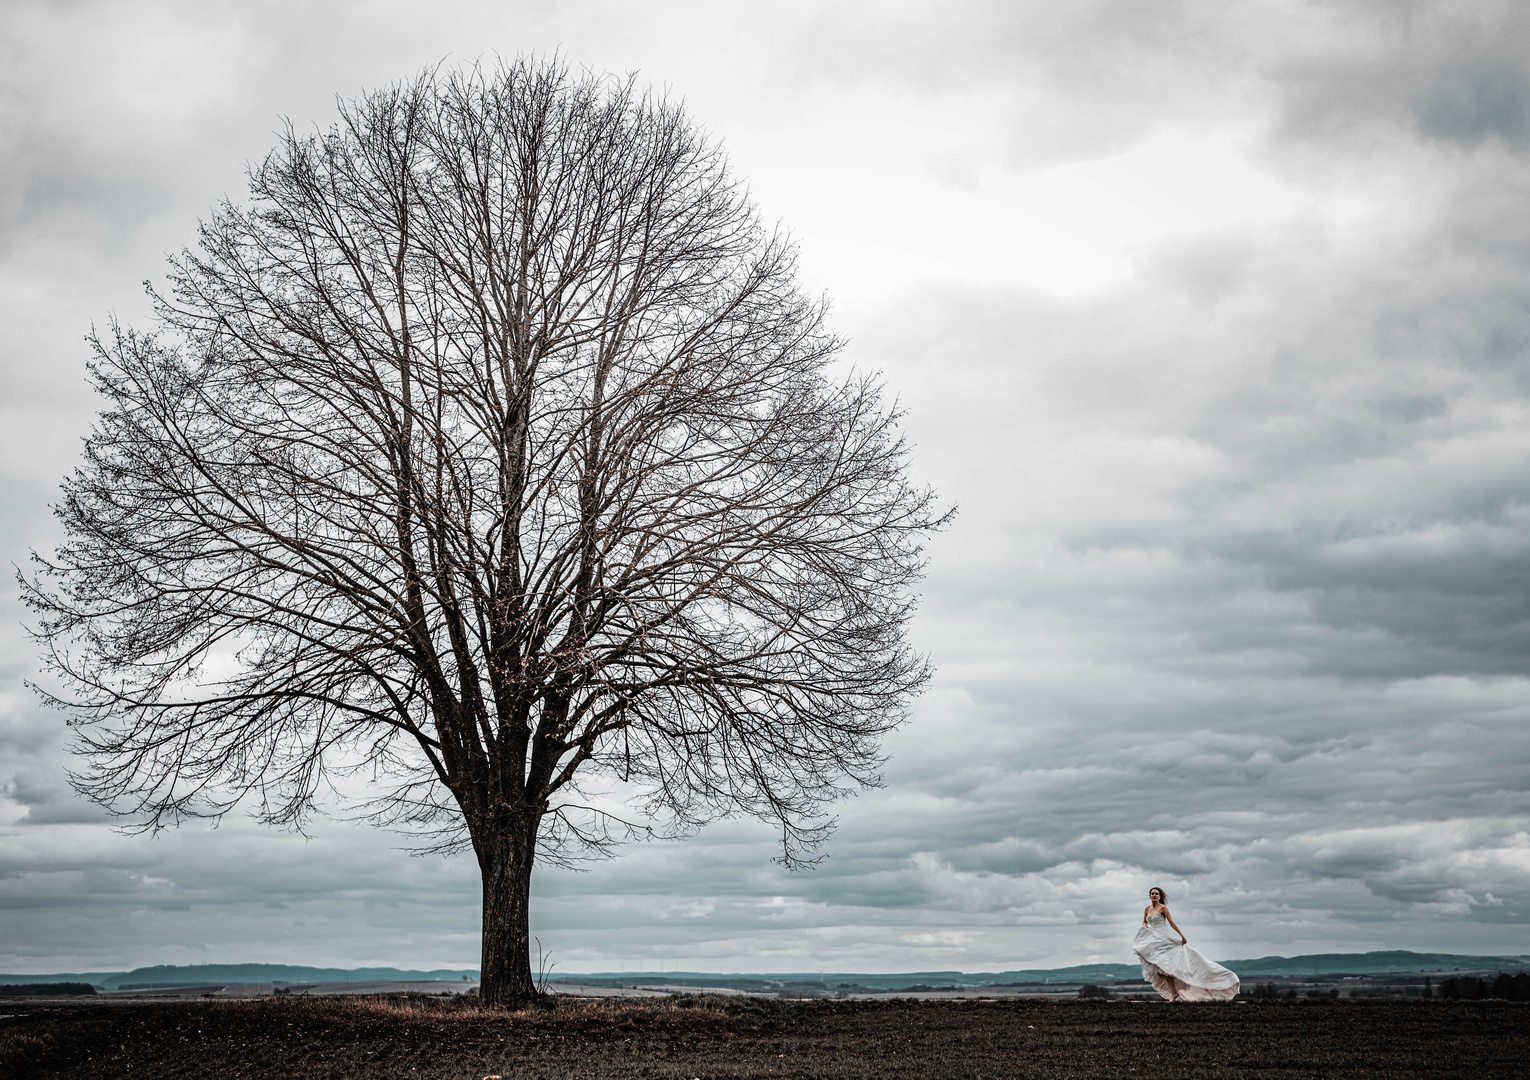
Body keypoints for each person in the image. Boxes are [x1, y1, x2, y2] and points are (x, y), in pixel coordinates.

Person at [1131, 887, 1240, 1001]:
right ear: (1149, 896)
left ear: (1159, 896)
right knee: (1146, 955)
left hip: (1164, 939)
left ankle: (1173, 992)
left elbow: (1172, 923)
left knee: (1165, 966)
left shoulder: (1163, 908)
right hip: (1154, 939)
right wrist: (1145, 925)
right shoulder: (1147, 909)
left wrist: (1182, 936)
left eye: (1156, 894)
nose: (1154, 895)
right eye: (1152, 894)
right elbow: (1145, 920)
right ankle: (1162, 978)